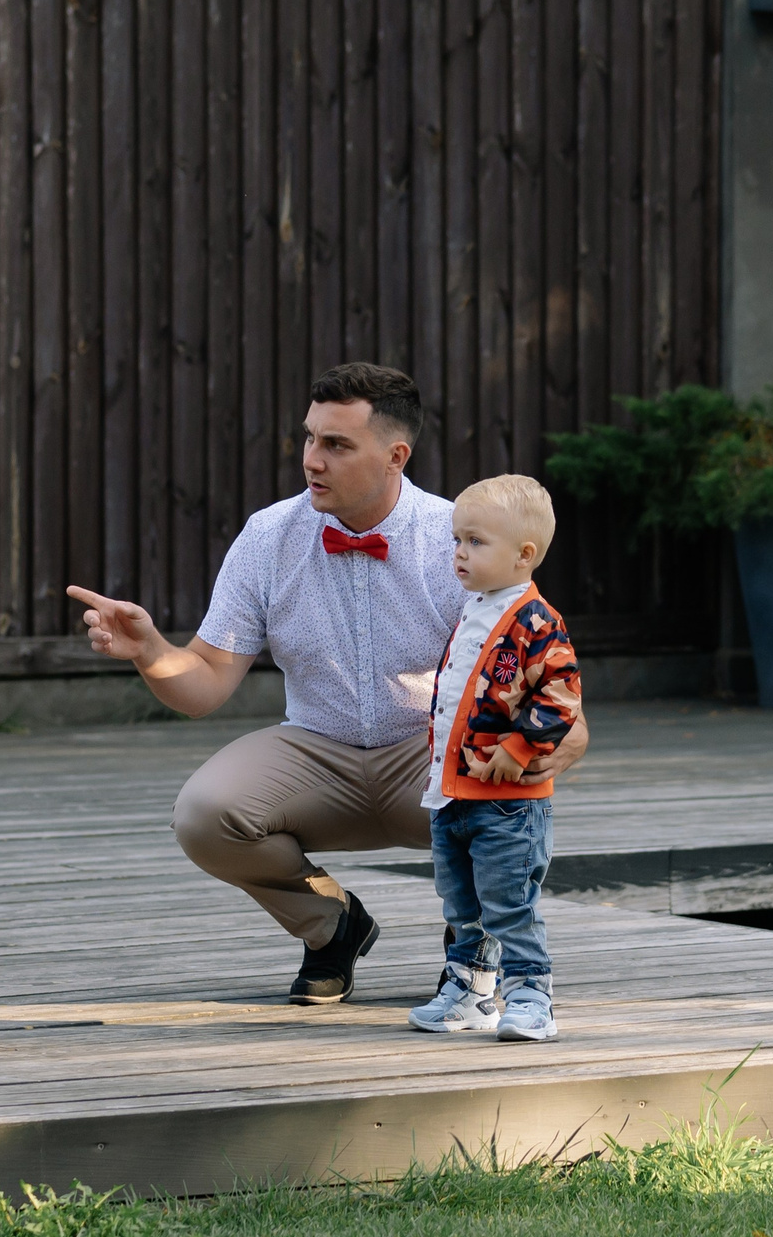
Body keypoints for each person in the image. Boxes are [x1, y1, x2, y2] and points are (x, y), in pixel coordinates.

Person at [66, 364, 590, 1004]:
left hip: (428, 756)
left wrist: (523, 764)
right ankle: (331, 925)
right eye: (310, 439)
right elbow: (203, 684)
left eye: (336, 445)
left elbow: (557, 704)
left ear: (396, 455)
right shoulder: (267, 537)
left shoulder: (461, 539)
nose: (313, 459)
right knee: (204, 815)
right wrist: (150, 652)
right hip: (315, 750)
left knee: (509, 809)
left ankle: (475, 953)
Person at [408, 475, 579, 1042]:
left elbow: (561, 696)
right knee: (460, 901)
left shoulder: (536, 622)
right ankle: (470, 991)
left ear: (523, 555)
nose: (459, 552)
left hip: (509, 805)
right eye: (457, 540)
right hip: (453, 792)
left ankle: (532, 995)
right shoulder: (474, 609)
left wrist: (520, 745)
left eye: (475, 542)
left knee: (510, 902)